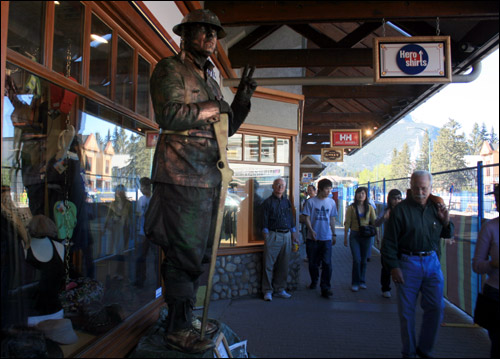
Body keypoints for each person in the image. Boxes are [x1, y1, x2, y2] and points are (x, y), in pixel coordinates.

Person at [144, 9, 257, 353]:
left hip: (208, 177)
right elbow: (169, 115)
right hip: (180, 176)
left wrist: (241, 100)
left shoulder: (209, 77)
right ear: (186, 33)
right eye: (204, 31)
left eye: (214, 33)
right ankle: (176, 328)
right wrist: (214, 106)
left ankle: (188, 317)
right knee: (183, 255)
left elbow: (224, 129)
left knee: (202, 255)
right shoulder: (170, 68)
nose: (211, 37)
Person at [381, 171, 454, 358]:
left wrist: (446, 222)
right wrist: (394, 267)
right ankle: (409, 351)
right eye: (416, 187)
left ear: (430, 188)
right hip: (407, 263)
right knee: (407, 313)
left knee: (437, 307)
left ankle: (425, 349)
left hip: (432, 262)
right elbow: (389, 242)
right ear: (410, 187)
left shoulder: (436, 208)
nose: (419, 192)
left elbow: (447, 234)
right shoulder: (400, 210)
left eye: (424, 188)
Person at [261, 178, 299, 301]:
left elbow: (290, 219)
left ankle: (280, 289)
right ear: (273, 186)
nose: (280, 187)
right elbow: (263, 221)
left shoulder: (287, 202)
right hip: (273, 234)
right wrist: (266, 236)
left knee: (284, 264)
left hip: (287, 235)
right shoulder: (267, 202)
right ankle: (267, 291)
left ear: (285, 187)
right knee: (268, 264)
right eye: (277, 185)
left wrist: (294, 234)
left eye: (282, 185)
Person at [472, 183, 499, 358]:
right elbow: (477, 265)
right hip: (495, 295)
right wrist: (493, 264)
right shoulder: (490, 228)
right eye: (497, 198)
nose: (497, 202)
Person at [302, 179, 337, 298]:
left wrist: (334, 234)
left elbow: (332, 219)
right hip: (313, 239)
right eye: (327, 189)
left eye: (330, 189)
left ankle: (325, 287)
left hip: (326, 237)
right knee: (313, 263)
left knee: (327, 263)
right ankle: (314, 280)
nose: (329, 191)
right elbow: (306, 217)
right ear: (320, 189)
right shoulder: (311, 202)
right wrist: (311, 230)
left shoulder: (331, 202)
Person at [344, 186, 376, 291]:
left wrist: (377, 236)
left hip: (366, 236)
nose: (361, 195)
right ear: (355, 195)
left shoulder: (370, 207)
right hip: (354, 235)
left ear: (366, 195)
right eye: (359, 193)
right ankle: (355, 282)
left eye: (363, 193)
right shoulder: (351, 208)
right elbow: (347, 222)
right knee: (357, 259)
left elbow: (374, 222)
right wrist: (345, 237)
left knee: (364, 260)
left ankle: (362, 281)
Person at [374, 189, 402, 298]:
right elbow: (376, 223)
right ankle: (385, 288)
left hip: (401, 244)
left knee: (401, 266)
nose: (397, 201)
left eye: (399, 198)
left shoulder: (404, 211)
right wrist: (383, 218)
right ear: (389, 199)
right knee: (386, 267)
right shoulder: (387, 211)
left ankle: (400, 287)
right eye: (394, 198)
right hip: (388, 243)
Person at [134, 177, 156, 289]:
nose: (142, 189)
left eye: (143, 187)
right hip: (143, 233)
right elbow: (138, 216)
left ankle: (158, 281)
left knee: (156, 258)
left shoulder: (154, 199)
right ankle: (140, 281)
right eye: (141, 186)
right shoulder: (141, 200)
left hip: (153, 233)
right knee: (140, 258)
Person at [104, 184, 132, 256]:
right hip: (114, 227)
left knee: (121, 248)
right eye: (118, 191)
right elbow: (108, 216)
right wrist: (105, 226)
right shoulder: (113, 204)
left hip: (124, 228)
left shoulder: (128, 204)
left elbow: (130, 217)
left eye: (121, 191)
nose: (119, 192)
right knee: (112, 247)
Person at [300, 184, 317, 261]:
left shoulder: (317, 200)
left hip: (315, 223)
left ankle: (315, 257)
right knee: (307, 240)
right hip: (306, 223)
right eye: (308, 190)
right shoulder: (307, 200)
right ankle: (309, 256)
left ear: (315, 191)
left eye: (311, 190)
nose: (309, 191)